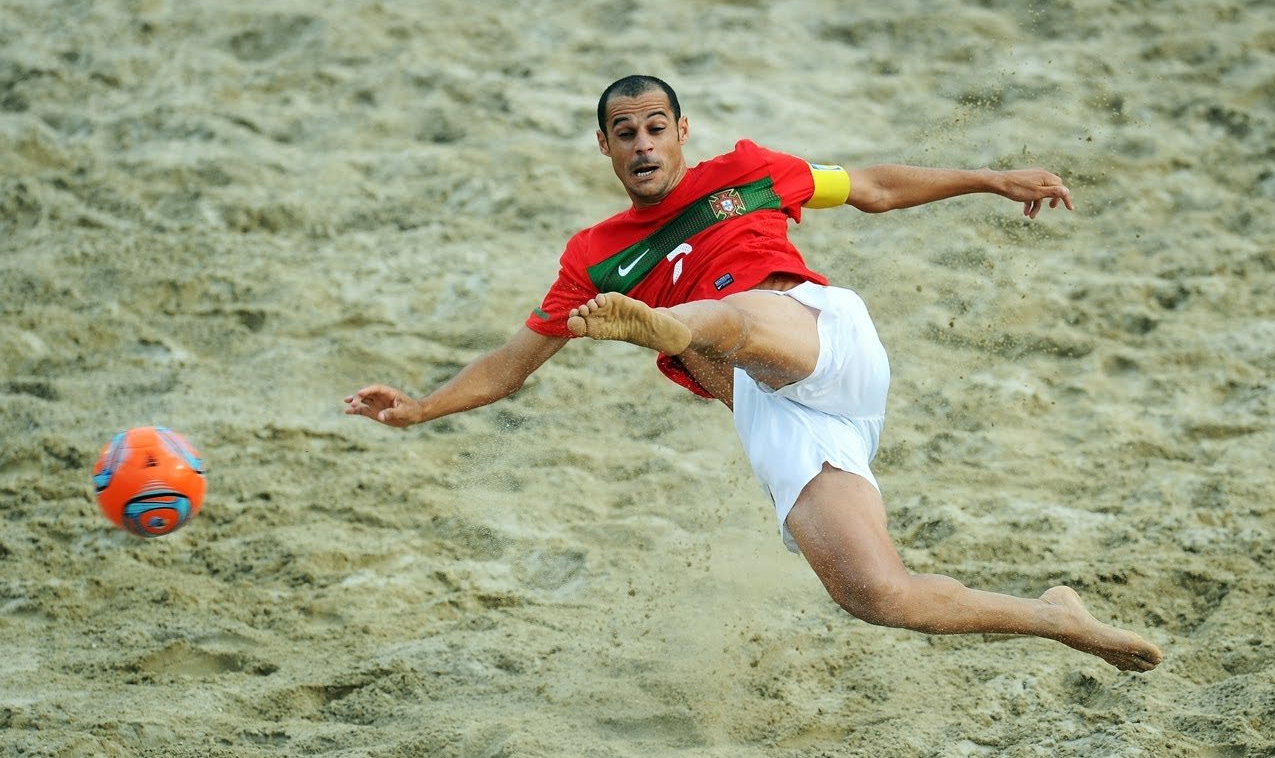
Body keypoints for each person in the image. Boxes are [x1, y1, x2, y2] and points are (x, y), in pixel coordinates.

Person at [345, 75, 1163, 673]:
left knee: (722, 324)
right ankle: (1058, 619)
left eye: (654, 128)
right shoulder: (592, 257)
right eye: (624, 133)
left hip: (815, 336)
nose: (641, 145)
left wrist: (989, 178)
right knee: (877, 594)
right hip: (781, 412)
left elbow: (872, 187)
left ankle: (665, 325)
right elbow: (510, 367)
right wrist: (420, 410)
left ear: (681, 131)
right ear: (604, 147)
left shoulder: (746, 171)